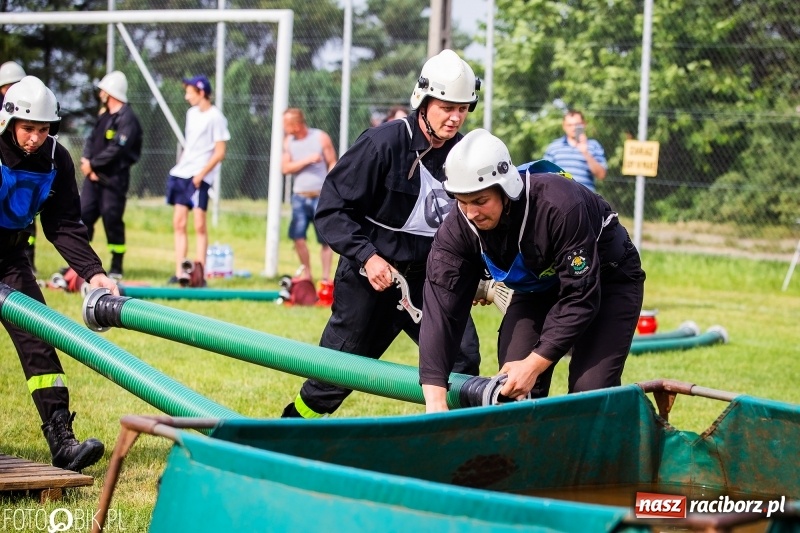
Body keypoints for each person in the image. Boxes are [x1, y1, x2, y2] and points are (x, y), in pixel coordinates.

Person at [281, 49, 483, 419]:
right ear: (423, 100)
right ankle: (290, 431)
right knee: (333, 377)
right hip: (369, 280)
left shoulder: (465, 154)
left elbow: (475, 222)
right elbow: (332, 208)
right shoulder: (382, 144)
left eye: (462, 108)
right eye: (446, 107)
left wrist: (476, 276)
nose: (455, 117)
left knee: (463, 361)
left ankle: (453, 441)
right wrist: (368, 256)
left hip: (431, 280)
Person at [419, 129, 645, 413]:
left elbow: (580, 296)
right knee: (510, 388)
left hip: (606, 280)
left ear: (506, 190)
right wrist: (435, 400)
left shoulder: (560, 205)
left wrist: (534, 364)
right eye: (462, 202)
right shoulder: (457, 227)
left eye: (480, 201)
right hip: (537, 288)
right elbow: (441, 307)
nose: (471, 213)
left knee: (589, 392)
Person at [0, 76, 120, 470]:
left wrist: (93, 273)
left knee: (39, 340)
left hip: (11, 259)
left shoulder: (56, 159)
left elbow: (63, 224)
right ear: (8, 121)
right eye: (27, 128)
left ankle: (62, 440)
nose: (35, 138)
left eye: (43, 129)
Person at [166, 75, 229, 284]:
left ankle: (199, 274)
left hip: (199, 176)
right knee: (179, 223)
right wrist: (182, 164)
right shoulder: (191, 114)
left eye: (190, 92)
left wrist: (201, 174)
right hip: (182, 174)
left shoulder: (216, 117)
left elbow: (220, 152)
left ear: (201, 92)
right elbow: (190, 144)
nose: (186, 97)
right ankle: (181, 272)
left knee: (199, 224)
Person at [80, 70, 143, 279]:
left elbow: (118, 149)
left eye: (103, 91)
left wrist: (93, 165)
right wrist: (87, 161)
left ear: (111, 93)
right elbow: (91, 140)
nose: (101, 94)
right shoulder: (103, 115)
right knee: (83, 216)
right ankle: (81, 264)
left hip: (113, 180)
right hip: (92, 178)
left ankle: (116, 266)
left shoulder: (127, 119)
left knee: (111, 218)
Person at [282, 108, 337, 288]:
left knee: (325, 239)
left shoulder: (320, 137)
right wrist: (307, 160)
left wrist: (330, 187)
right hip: (299, 197)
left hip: (320, 197)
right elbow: (285, 168)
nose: (284, 128)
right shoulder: (288, 142)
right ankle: (307, 275)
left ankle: (325, 279)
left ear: (296, 125)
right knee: (298, 237)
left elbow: (332, 161)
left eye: (286, 124)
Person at [0, 60, 38, 275]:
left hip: (24, 178)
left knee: (26, 223)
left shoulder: (30, 108)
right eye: (7, 87)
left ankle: (28, 261)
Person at [543, 109, 608, 192]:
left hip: (584, 197)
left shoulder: (594, 145)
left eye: (577, 125)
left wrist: (585, 153)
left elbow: (601, 175)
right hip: (559, 195)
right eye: (569, 125)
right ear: (564, 126)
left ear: (584, 124)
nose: (573, 128)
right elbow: (544, 174)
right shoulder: (553, 147)